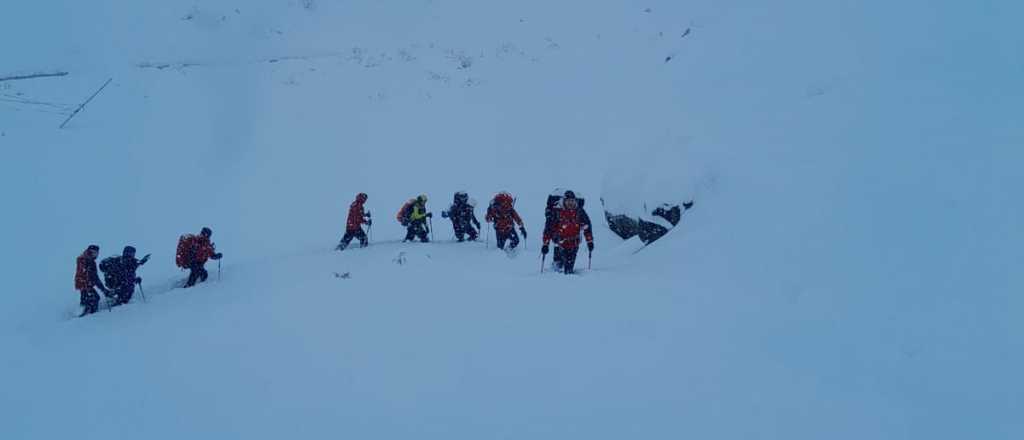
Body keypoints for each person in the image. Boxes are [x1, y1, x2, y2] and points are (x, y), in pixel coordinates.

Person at [542, 191, 594, 274]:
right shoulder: (557, 212)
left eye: (572, 201)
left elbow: (587, 226)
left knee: (568, 270)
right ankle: (553, 276)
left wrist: (589, 241)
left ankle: (565, 277)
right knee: (558, 269)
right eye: (568, 201)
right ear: (564, 200)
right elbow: (549, 228)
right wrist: (545, 244)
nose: (570, 203)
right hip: (560, 244)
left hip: (574, 245)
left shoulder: (579, 212)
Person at [74, 244, 109, 316]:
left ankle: (87, 311)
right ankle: (89, 314)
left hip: (87, 284)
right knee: (93, 298)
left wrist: (103, 289)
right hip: (84, 284)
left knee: (92, 298)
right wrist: (85, 280)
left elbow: (95, 277)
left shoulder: (91, 261)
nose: (96, 255)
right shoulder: (83, 259)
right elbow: (82, 273)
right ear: (89, 251)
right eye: (94, 253)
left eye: (97, 253)